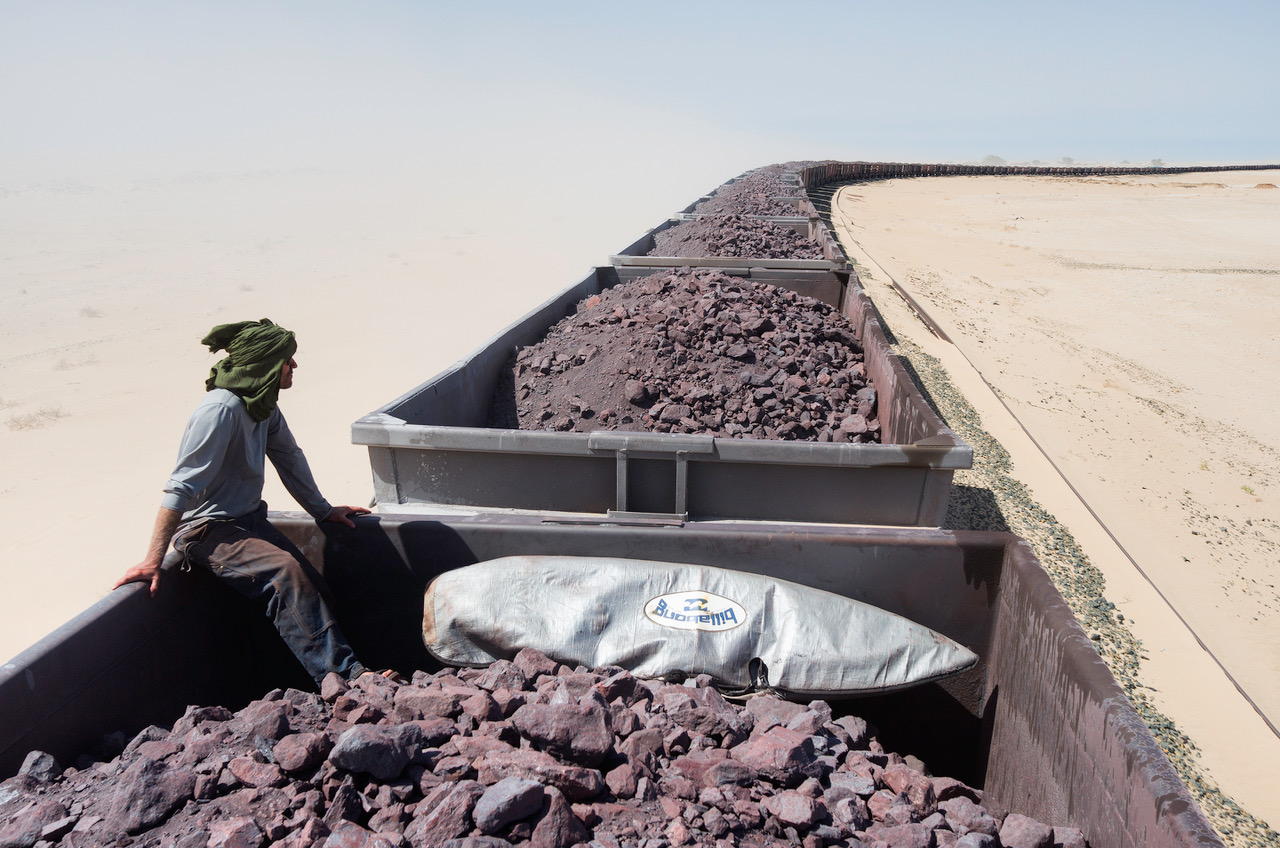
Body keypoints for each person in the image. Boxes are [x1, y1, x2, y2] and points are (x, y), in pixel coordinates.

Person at [113, 318, 383, 685]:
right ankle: (346, 680)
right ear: (268, 364)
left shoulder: (261, 405)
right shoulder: (220, 411)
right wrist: (152, 560)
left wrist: (323, 510)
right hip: (207, 530)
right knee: (284, 574)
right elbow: (179, 488)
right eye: (289, 360)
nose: (295, 367)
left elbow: (289, 458)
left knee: (316, 590)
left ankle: (305, 677)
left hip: (248, 519)